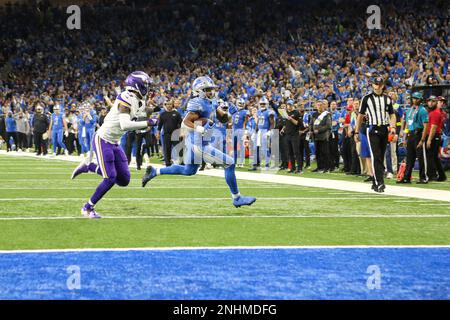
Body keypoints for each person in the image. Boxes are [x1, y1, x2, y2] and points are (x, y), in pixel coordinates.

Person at [141, 75, 256, 208]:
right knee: (229, 163)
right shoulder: (197, 103)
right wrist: (200, 127)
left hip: (196, 141)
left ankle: (155, 171)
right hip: (199, 143)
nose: (211, 92)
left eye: (211, 89)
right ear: (199, 91)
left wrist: (227, 115)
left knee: (188, 170)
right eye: (207, 90)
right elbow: (186, 121)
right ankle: (237, 198)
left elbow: (222, 118)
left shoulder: (211, 101)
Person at [71, 71, 157, 218]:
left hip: (115, 142)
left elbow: (138, 119)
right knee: (110, 178)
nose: (149, 88)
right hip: (103, 139)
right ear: (138, 86)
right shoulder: (126, 97)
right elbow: (125, 125)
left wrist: (151, 116)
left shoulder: (139, 101)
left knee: (124, 180)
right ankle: (87, 208)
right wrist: (148, 122)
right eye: (146, 85)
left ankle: (89, 166)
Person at [354, 75, 397, 192]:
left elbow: (392, 114)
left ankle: (375, 181)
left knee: (381, 156)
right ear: (372, 85)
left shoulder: (387, 99)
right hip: (372, 129)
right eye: (376, 84)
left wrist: (393, 127)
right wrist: (356, 131)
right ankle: (379, 182)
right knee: (375, 156)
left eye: (380, 84)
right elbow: (360, 116)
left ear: (383, 86)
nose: (378, 86)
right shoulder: (366, 98)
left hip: (384, 128)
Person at [397, 92, 429, 184]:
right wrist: (405, 138)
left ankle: (423, 177)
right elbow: (407, 124)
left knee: (421, 157)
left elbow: (425, 126)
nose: (415, 100)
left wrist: (422, 139)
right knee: (409, 157)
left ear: (420, 100)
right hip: (411, 134)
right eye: (414, 98)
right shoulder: (410, 110)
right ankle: (407, 177)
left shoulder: (422, 110)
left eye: (417, 98)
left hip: (418, 134)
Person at [426, 96, 447, 182]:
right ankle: (441, 175)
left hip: (434, 135)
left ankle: (432, 175)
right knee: (435, 157)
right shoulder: (440, 112)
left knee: (430, 156)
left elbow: (434, 127)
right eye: (440, 101)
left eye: (443, 102)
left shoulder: (437, 112)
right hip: (436, 135)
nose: (442, 103)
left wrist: (429, 139)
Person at [157, 99, 182, 167]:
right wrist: (158, 133)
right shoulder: (162, 114)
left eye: (170, 104)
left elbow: (181, 124)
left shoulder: (177, 114)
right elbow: (160, 125)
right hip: (166, 134)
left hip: (175, 133)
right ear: (165, 105)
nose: (169, 105)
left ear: (172, 105)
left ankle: (182, 162)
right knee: (167, 149)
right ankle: (168, 163)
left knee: (179, 148)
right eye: (167, 104)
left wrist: (182, 132)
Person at [282, 99, 302, 173]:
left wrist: (291, 119)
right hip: (288, 134)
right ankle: (292, 167)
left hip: (295, 135)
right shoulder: (286, 112)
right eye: (288, 105)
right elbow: (286, 123)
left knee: (296, 152)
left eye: (290, 105)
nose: (289, 106)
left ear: (293, 105)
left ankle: (299, 168)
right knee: (290, 152)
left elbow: (298, 123)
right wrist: (283, 128)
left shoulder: (296, 112)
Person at [312, 100, 332, 173]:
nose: (319, 106)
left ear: (323, 106)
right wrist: (311, 130)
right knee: (318, 152)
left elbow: (328, 125)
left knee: (325, 152)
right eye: (318, 105)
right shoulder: (314, 114)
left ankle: (327, 168)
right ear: (316, 106)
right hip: (316, 136)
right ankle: (319, 167)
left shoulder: (327, 114)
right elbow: (311, 123)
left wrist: (319, 130)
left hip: (324, 136)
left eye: (321, 105)